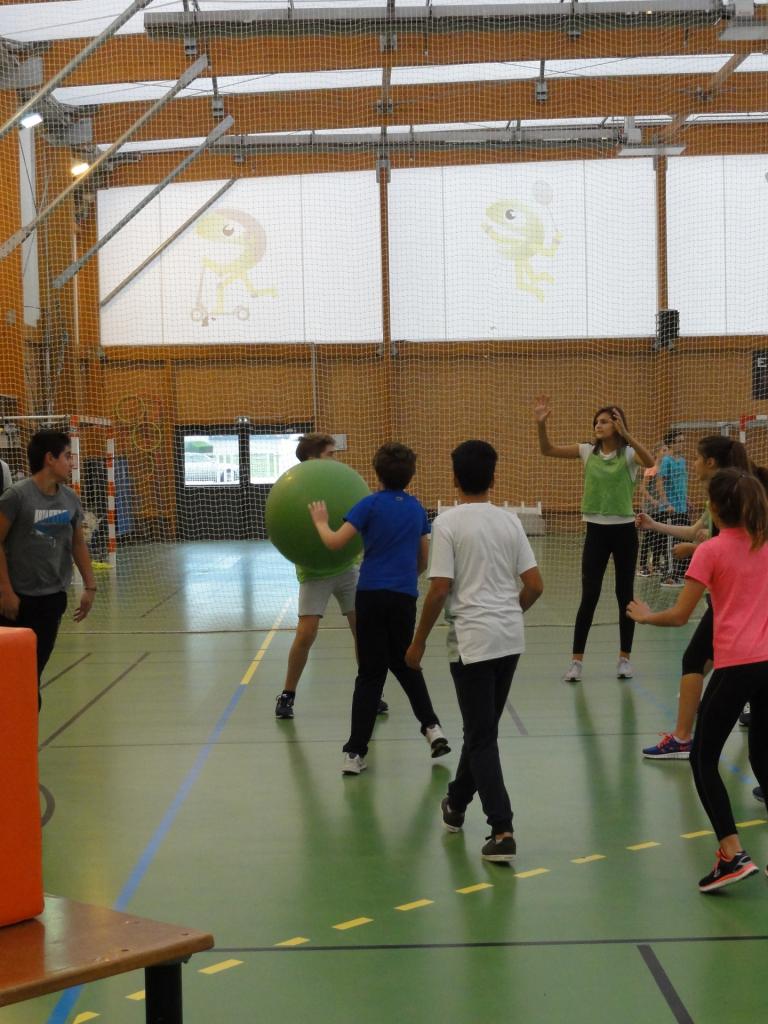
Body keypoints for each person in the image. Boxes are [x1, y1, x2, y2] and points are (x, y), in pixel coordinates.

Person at [628, 468, 768, 892]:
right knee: (762, 755)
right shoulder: (763, 543)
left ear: (714, 509)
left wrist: (646, 616)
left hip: (737, 667)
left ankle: (731, 853)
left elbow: (679, 616)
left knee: (702, 758)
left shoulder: (711, 551)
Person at [405, 441, 543, 862]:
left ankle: (502, 830)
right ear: (493, 477)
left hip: (473, 642)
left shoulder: (447, 523)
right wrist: (507, 613)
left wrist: (418, 641)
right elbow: (534, 586)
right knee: (481, 731)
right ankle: (456, 802)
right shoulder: (510, 521)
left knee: (481, 738)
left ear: (454, 478)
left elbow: (439, 589)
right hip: (509, 639)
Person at [309, 442, 449, 775]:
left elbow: (334, 542)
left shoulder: (369, 504)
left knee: (370, 674)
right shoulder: (416, 509)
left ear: (377, 474)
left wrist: (320, 522)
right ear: (411, 475)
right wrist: (403, 578)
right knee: (406, 663)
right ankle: (432, 728)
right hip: (403, 597)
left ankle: (354, 754)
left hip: (370, 595)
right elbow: (424, 558)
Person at [636, 435, 751, 759]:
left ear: (711, 462)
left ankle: (683, 737)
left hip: (733, 598)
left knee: (696, 660)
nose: (694, 464)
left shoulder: (733, 495)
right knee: (719, 660)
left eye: (698, 459)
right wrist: (656, 525)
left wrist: (699, 548)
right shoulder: (719, 495)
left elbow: (738, 547)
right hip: (729, 597)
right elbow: (699, 532)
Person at [533, 396, 653, 682]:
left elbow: (650, 462)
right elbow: (547, 450)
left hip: (624, 532)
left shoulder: (628, 455)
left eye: (605, 421)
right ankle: (576, 662)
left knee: (625, 595)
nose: (598, 425)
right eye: (596, 422)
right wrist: (541, 425)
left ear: (617, 425)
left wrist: (627, 435)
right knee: (589, 596)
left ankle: (624, 659)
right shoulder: (587, 451)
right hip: (595, 532)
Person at [274, 432, 387, 721]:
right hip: (314, 572)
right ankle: (287, 694)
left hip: (347, 568)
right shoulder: (296, 488)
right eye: (330, 454)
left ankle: (371, 693)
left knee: (363, 630)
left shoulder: (339, 485)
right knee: (306, 632)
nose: (336, 460)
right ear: (313, 458)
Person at [0, 430, 97, 706]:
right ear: (50, 459)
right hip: (16, 601)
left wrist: (90, 586)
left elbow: (78, 543)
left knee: (32, 673)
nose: (72, 463)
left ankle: (26, 728)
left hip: (51, 600)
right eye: (67, 456)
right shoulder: (16, 497)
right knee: (11, 673)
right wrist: (6, 591)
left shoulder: (70, 499)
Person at [658, 430, 689, 588]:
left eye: (683, 441)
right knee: (671, 543)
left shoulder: (682, 461)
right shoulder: (666, 461)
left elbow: (682, 482)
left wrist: (687, 499)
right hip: (671, 509)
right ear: (670, 444)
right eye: (679, 441)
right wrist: (666, 503)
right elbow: (660, 483)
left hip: (683, 508)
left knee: (685, 541)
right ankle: (668, 575)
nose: (682, 444)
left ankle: (680, 573)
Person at [635, 444, 669, 577]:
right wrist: (653, 500)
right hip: (650, 508)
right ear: (657, 453)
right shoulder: (652, 468)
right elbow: (642, 488)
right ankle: (642, 565)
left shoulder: (664, 468)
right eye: (664, 450)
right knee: (648, 538)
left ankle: (655, 564)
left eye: (667, 450)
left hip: (660, 508)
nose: (666, 452)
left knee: (659, 537)